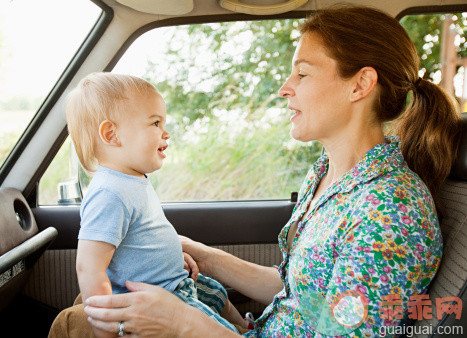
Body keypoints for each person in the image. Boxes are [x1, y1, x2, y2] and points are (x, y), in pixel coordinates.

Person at [51, 5, 462, 337]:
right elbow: (302, 293)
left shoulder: (390, 213)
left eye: (302, 73)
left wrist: (183, 323)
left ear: (359, 85)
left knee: (75, 324)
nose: (285, 86)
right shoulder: (329, 175)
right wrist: (203, 257)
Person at [54, 72, 248, 338]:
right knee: (212, 323)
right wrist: (105, 326)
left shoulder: (132, 180)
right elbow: (90, 267)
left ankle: (248, 328)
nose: (166, 132)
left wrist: (168, 259)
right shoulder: (109, 193)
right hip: (159, 297)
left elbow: (141, 238)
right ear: (112, 134)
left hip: (173, 280)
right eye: (155, 123)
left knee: (217, 293)